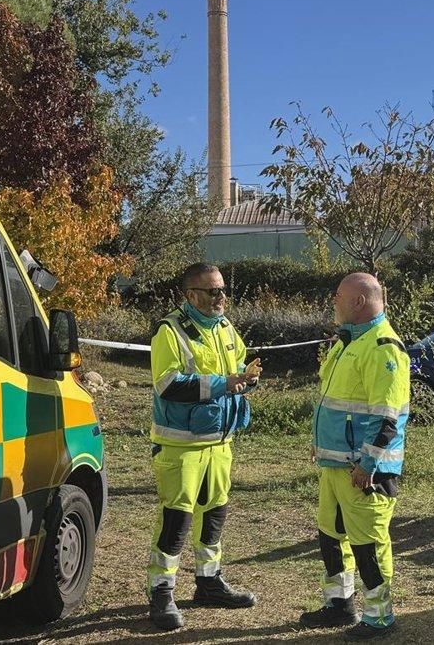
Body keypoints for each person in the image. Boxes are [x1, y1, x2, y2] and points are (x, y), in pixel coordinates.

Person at [146, 262, 262, 630]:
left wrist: (248, 380)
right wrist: (223, 383)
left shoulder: (225, 328)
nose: (221, 297)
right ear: (190, 295)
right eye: (213, 291)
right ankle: (161, 593)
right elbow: (167, 384)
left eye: (224, 290)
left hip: (220, 442)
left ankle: (209, 583)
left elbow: (239, 366)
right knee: (176, 521)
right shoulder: (170, 330)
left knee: (214, 515)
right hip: (181, 447)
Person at [301, 272, 410, 639]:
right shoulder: (348, 342)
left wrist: (368, 464)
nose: (334, 301)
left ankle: (380, 616)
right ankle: (339, 605)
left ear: (359, 301)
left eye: (338, 295)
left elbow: (387, 417)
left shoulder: (382, 348)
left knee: (368, 543)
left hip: (364, 470)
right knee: (331, 536)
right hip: (336, 465)